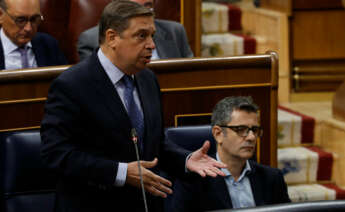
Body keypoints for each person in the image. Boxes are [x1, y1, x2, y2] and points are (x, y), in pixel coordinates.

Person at [40, 1, 225, 212]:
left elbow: (154, 144)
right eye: (141, 36)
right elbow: (56, 153)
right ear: (112, 38)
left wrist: (186, 159)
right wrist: (120, 172)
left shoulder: (147, 79)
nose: (152, 45)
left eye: (152, 35)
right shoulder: (72, 85)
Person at [166, 96, 291, 212]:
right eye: (241, 130)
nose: (252, 137)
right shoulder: (193, 181)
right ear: (218, 134)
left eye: (255, 130)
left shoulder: (272, 178)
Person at [77, 0, 193, 61]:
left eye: (148, 6)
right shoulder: (91, 39)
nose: (152, 46)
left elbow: (192, 76)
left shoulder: (175, 31)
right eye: (134, 9)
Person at [0, 0, 67, 70]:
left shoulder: (49, 44)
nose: (28, 28)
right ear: (1, 15)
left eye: (34, 19)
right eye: (21, 20)